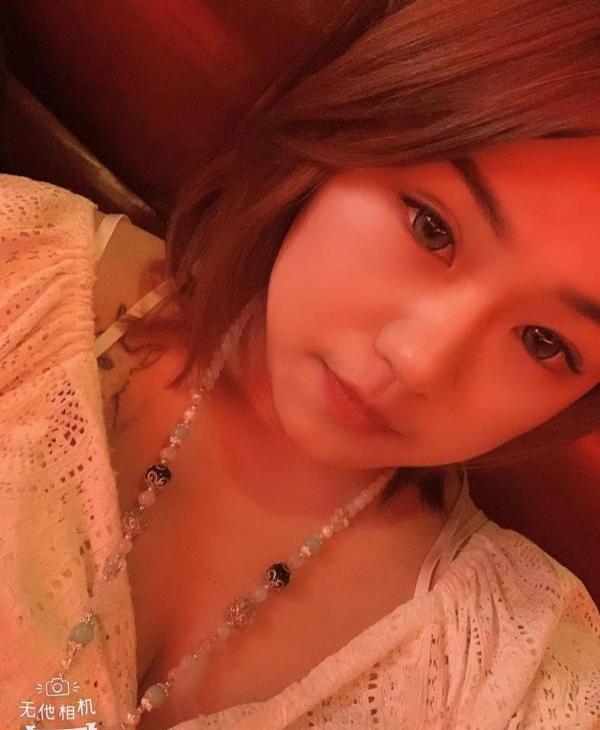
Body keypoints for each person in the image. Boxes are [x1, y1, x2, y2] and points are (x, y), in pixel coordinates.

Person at [1, 1, 600, 729]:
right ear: (345, 128)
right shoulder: (19, 274)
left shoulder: (520, 668)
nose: (417, 361)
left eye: (543, 342)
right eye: (431, 227)